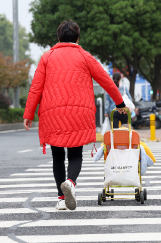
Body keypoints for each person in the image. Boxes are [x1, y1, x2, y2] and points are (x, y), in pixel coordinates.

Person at [23, 20, 128, 211]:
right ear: (78, 37)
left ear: (58, 37)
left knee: (57, 156)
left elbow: (36, 87)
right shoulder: (85, 56)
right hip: (79, 113)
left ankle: (61, 198)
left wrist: (29, 114)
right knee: (75, 153)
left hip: (52, 113)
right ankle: (71, 182)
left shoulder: (47, 57)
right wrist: (120, 103)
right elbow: (105, 80)